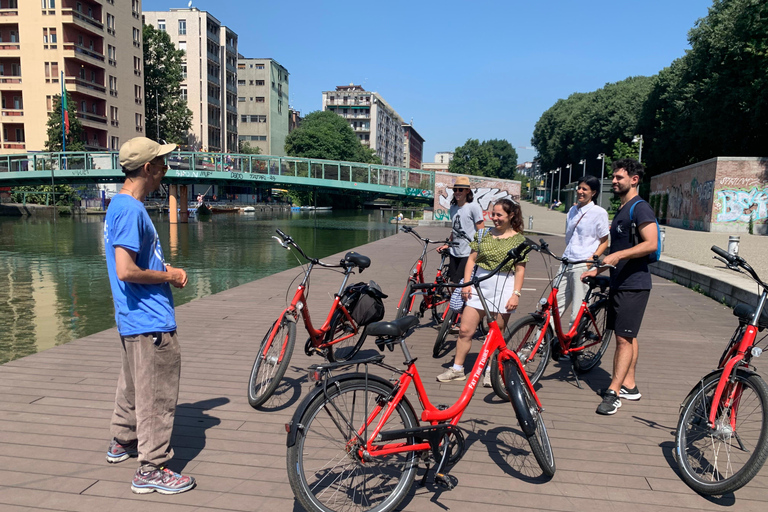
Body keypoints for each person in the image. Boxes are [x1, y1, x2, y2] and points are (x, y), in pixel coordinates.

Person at [103, 137, 196, 494]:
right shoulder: (130, 210)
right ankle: (152, 468)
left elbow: (130, 263)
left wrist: (160, 265)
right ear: (147, 169)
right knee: (157, 393)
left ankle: (122, 440)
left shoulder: (120, 205)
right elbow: (126, 270)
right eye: (162, 165)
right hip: (150, 319)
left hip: (132, 318)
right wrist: (170, 276)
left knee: (132, 383)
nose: (165, 171)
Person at [581, 158, 658, 415]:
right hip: (619, 281)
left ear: (634, 180)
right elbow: (616, 250)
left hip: (634, 285)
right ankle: (630, 385)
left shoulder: (640, 207)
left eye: (619, 178)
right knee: (627, 335)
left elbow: (651, 244)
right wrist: (598, 269)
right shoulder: (623, 208)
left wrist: (617, 256)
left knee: (623, 339)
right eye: (613, 177)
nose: (613, 181)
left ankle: (613, 392)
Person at [437, 198, 528, 385]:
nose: (495, 218)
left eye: (499, 215)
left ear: (511, 216)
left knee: (496, 334)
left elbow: (520, 269)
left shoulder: (519, 240)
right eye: (493, 214)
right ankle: (457, 369)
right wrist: (467, 283)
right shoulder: (483, 234)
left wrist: (516, 294)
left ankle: (491, 370)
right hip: (479, 284)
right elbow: (471, 260)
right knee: (464, 330)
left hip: (504, 285)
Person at [557, 176, 609, 328]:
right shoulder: (572, 210)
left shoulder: (599, 213)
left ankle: (573, 346)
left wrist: (590, 260)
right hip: (567, 261)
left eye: (584, 189)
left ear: (593, 192)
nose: (580, 191)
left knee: (578, 311)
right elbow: (569, 236)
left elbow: (604, 241)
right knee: (553, 305)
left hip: (582, 264)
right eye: (579, 188)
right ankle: (540, 342)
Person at [437, 176, 484, 283]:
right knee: (453, 283)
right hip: (455, 251)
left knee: (461, 284)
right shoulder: (453, 207)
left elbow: (481, 231)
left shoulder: (474, 207)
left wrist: (479, 250)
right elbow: (455, 229)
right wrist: (447, 244)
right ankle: (454, 300)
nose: (457, 192)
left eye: (460, 190)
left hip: (468, 252)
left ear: (467, 191)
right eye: (455, 190)